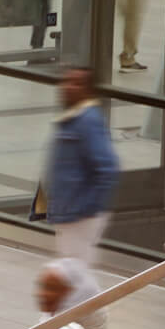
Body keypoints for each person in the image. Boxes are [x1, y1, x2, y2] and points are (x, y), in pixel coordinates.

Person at [43, 66, 119, 269]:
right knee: (73, 272)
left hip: (79, 216)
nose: (67, 87)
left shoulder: (88, 121)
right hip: (69, 213)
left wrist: (85, 208)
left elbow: (107, 169)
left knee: (74, 274)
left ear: (88, 90)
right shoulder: (72, 119)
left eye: (76, 83)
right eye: (66, 81)